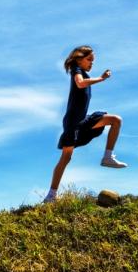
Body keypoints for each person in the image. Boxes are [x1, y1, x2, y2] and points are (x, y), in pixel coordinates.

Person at [44, 46, 127, 203]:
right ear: (78, 59)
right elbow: (80, 84)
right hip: (73, 123)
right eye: (89, 60)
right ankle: (51, 195)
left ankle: (108, 157)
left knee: (115, 120)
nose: (91, 63)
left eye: (93, 61)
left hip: (83, 120)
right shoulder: (77, 71)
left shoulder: (84, 73)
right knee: (66, 158)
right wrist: (101, 78)